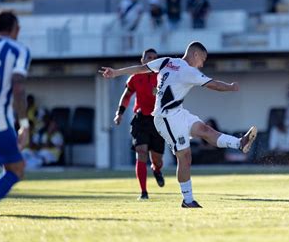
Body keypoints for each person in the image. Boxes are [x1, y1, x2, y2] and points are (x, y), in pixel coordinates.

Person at [100, 41, 257, 208]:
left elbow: (141, 68)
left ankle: (239, 143)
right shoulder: (189, 71)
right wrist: (231, 87)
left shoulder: (167, 61)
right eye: (202, 59)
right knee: (185, 156)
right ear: (195, 55)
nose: (202, 64)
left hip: (178, 112)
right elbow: (215, 85)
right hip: (166, 117)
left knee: (204, 129)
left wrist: (116, 72)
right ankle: (187, 200)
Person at [0, 10, 31, 242]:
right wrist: (24, 123)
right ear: (16, 29)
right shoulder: (18, 50)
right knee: (16, 169)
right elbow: (18, 88)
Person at [113, 48, 166, 200]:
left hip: (158, 120)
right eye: (149, 57)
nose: (152, 60)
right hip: (141, 119)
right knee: (141, 152)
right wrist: (120, 113)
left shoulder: (163, 77)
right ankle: (143, 192)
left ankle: (156, 170)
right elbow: (127, 95)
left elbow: (171, 96)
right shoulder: (135, 77)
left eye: (155, 58)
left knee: (157, 159)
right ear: (142, 61)